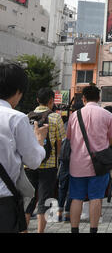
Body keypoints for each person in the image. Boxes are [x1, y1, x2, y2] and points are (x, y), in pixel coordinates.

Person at [0, 63, 48, 233]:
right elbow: (33, 161)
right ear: (19, 91)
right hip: (4, 202)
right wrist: (39, 140)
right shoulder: (16, 118)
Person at [66, 85, 112, 233]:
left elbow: (69, 138)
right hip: (99, 165)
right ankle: (93, 230)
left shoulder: (74, 116)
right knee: (96, 197)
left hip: (77, 164)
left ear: (83, 99)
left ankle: (74, 229)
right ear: (99, 98)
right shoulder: (106, 115)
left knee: (76, 198)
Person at [24, 88, 66, 233]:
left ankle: (24, 230)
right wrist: (57, 157)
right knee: (44, 200)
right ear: (51, 101)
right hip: (49, 165)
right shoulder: (55, 117)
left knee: (28, 199)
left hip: (28, 165)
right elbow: (60, 141)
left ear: (37, 100)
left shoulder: (27, 117)